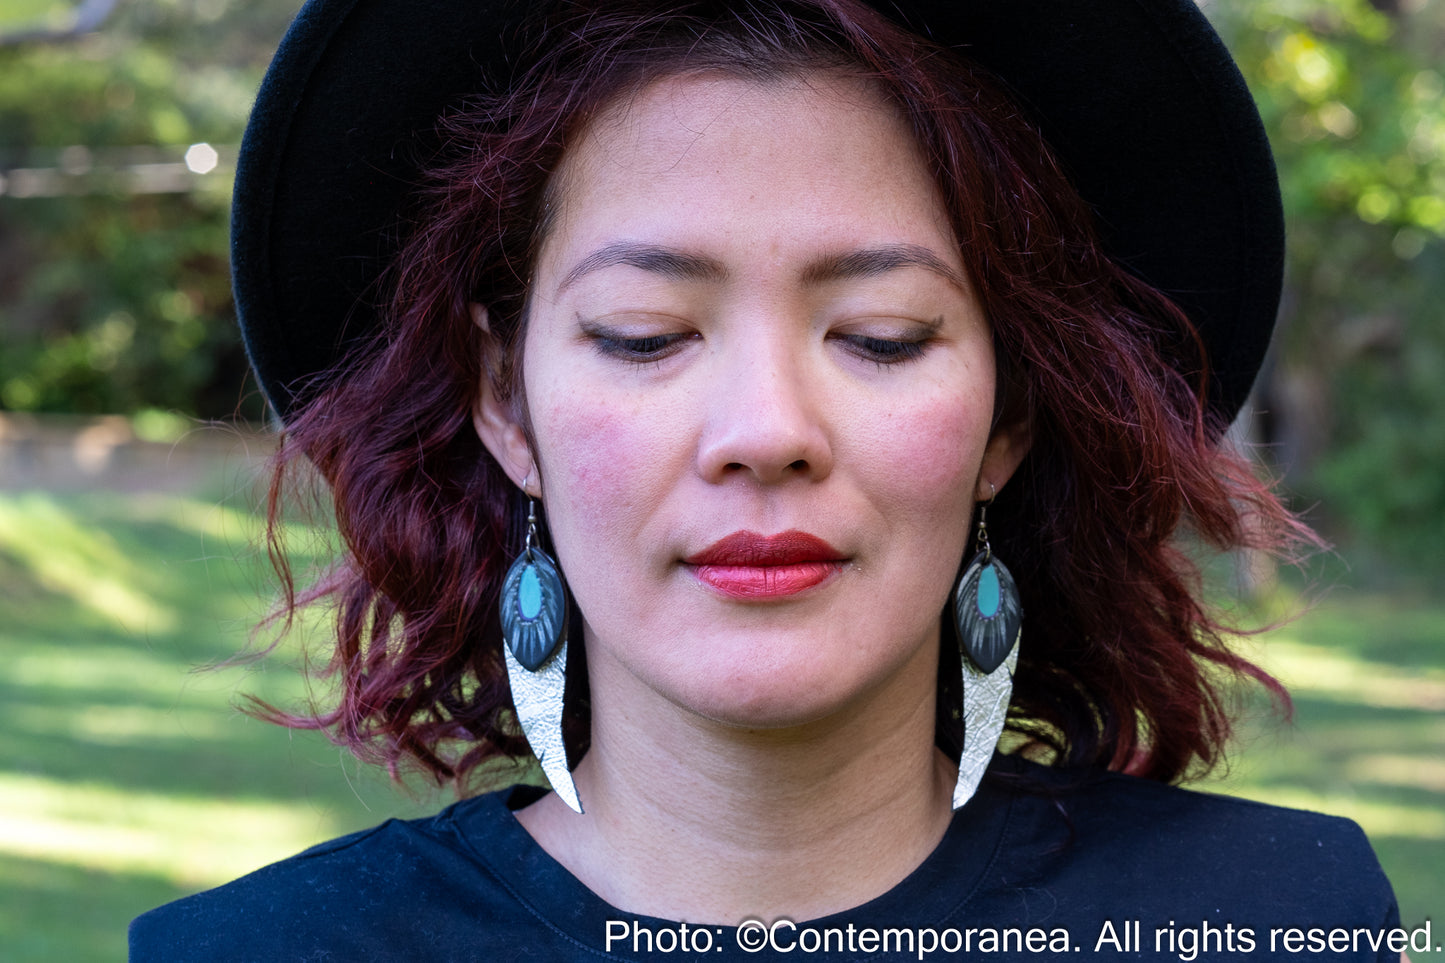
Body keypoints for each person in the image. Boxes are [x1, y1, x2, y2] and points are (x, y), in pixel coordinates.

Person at [131, 0, 1403, 958]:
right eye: (645, 334)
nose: (765, 430)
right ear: (505, 403)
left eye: (880, 337)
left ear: (1006, 415)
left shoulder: (1286, 920)